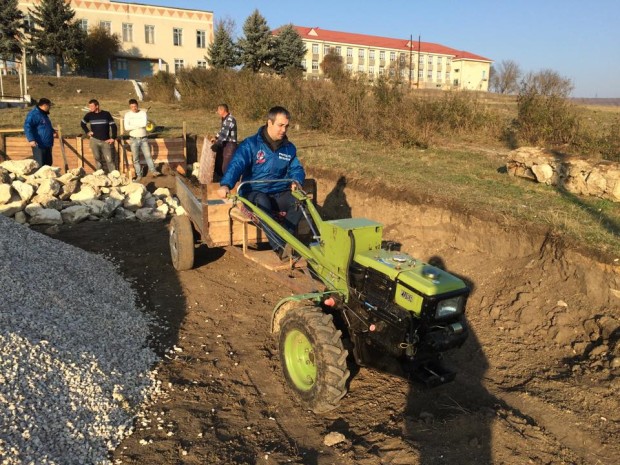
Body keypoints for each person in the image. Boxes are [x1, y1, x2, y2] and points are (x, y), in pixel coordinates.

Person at [217, 106, 305, 257]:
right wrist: (226, 184)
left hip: (278, 192)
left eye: (286, 126)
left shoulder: (289, 148)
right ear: (269, 123)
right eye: (280, 125)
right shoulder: (250, 144)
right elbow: (236, 164)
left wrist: (296, 181)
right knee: (262, 202)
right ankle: (280, 248)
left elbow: (296, 168)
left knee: (300, 202)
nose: (284, 130)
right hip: (254, 192)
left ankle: (287, 240)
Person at [123, 99, 160, 180]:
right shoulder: (127, 115)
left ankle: (153, 171)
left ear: (137, 105)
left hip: (143, 138)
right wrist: (138, 125)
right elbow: (126, 127)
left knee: (148, 156)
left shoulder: (143, 113)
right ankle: (139, 175)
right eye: (132, 107)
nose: (134, 108)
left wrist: (133, 125)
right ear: (130, 107)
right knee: (136, 159)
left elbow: (144, 124)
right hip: (133, 139)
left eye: (135, 106)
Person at [80, 99, 117, 173]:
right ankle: (100, 175)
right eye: (89, 106)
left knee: (109, 160)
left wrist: (113, 138)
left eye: (91, 106)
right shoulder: (89, 115)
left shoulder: (106, 114)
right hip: (94, 140)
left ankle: (114, 176)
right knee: (97, 159)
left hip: (106, 141)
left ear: (97, 106)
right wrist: (87, 132)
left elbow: (113, 126)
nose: (90, 108)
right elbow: (82, 123)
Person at [23, 98, 56, 167]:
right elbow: (27, 126)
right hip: (39, 145)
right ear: (44, 105)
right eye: (49, 106)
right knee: (40, 164)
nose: (50, 108)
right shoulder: (34, 114)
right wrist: (31, 139)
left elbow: (45, 126)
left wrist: (52, 131)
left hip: (47, 144)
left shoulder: (44, 115)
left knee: (48, 164)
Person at [211, 103, 238, 176]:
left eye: (218, 110)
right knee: (221, 163)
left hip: (230, 145)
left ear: (223, 110)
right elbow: (222, 130)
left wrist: (217, 144)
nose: (217, 112)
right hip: (226, 144)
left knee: (226, 166)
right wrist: (216, 137)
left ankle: (229, 183)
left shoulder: (229, 119)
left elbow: (224, 135)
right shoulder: (225, 118)